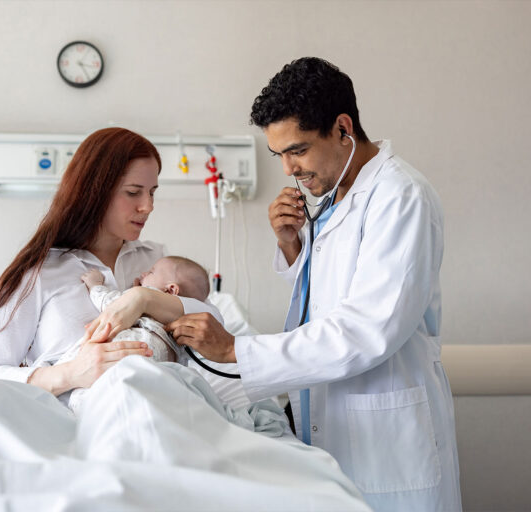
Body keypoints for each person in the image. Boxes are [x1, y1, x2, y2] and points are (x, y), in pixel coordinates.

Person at [165, 57, 462, 511]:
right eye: (278, 154)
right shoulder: (334, 195)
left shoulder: (401, 197)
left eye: (298, 150)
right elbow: (327, 296)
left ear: (343, 128)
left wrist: (234, 350)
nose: (287, 169)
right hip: (331, 426)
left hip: (388, 439)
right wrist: (292, 246)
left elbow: (368, 328)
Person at [0, 127, 221, 398]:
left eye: (152, 192)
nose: (148, 206)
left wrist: (143, 299)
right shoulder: (41, 272)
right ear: (94, 191)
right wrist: (70, 373)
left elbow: (214, 325)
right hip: (75, 424)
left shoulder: (156, 260)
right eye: (133, 192)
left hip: (163, 406)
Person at [58, 256, 210, 412]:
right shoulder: (184, 321)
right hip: (160, 363)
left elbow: (112, 304)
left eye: (151, 272)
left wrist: (95, 285)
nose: (143, 273)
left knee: (81, 364)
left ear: (171, 289)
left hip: (133, 346)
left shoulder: (147, 295)